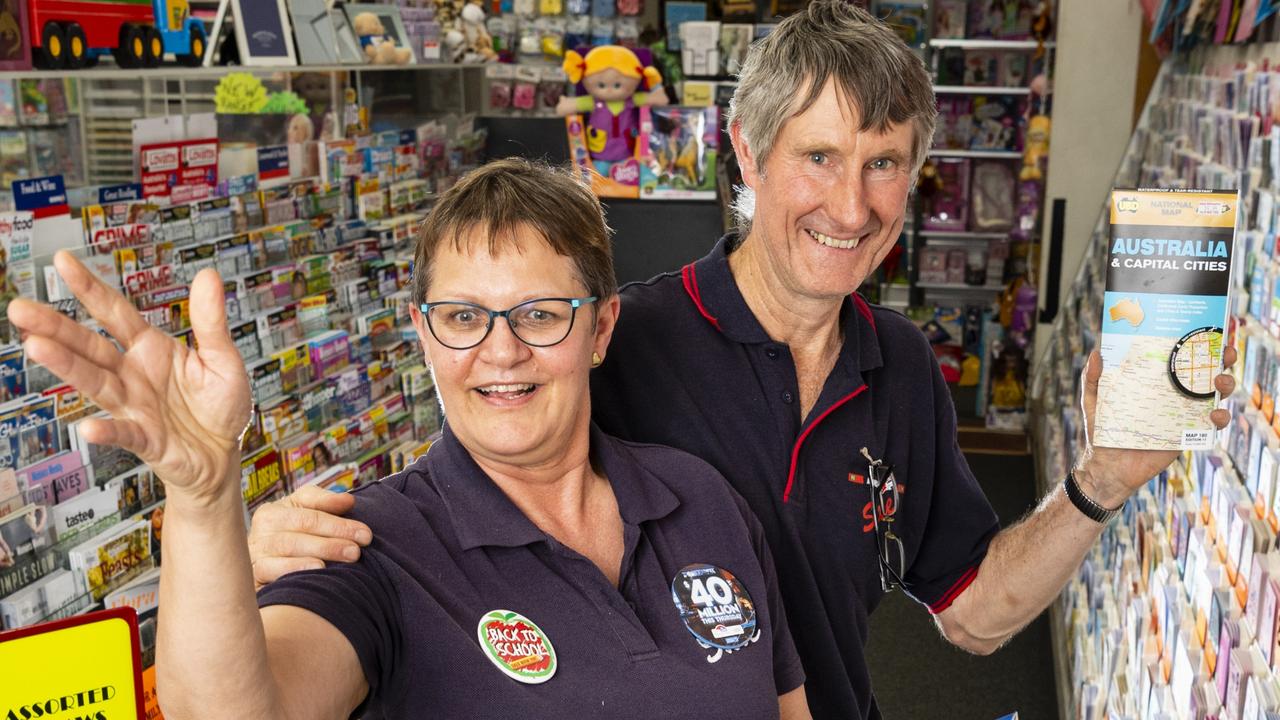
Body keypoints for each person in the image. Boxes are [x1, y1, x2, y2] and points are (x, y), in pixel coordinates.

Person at [247, 3, 1237, 718]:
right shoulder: (615, 339)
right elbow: (461, 503)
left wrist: (1100, 483)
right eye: (817, 157)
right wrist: (278, 546)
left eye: (882, 163)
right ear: (746, 160)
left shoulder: (898, 365)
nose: (850, 207)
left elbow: (970, 616)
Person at [7, 159, 810, 719]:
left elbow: (784, 708)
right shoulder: (373, 544)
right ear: (422, 336)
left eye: (539, 313)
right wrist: (202, 495)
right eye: (462, 318)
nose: (501, 352)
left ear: (600, 329)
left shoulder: (702, 498)